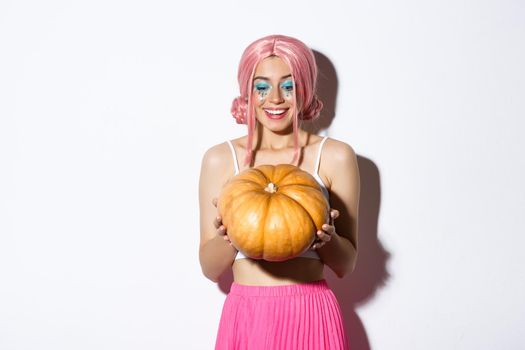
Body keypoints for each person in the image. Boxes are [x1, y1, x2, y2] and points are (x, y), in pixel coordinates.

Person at [198, 34, 360, 350]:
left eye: (289, 86)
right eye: (262, 87)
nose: (275, 98)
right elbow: (210, 268)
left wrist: (326, 239)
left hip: (311, 312)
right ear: (247, 92)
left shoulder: (336, 156)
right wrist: (228, 235)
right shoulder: (220, 159)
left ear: (307, 90)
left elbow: (346, 265)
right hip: (247, 315)